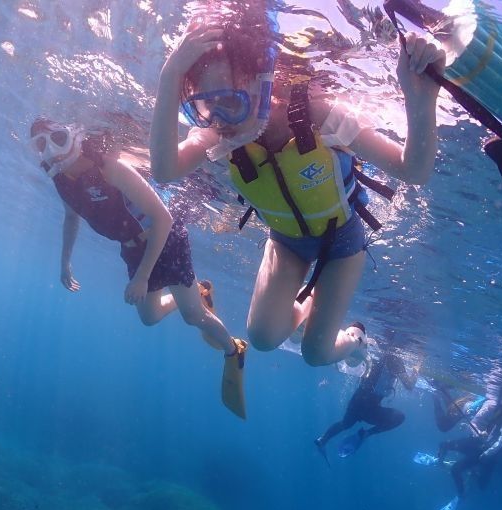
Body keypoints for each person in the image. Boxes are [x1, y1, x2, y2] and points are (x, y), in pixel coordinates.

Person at [149, 2, 446, 368]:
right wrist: (170, 75)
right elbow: (163, 170)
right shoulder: (220, 137)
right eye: (206, 109)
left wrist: (421, 98)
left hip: (342, 241)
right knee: (262, 337)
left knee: (315, 353)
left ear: (262, 81)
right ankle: (308, 301)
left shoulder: (316, 113)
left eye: (230, 101)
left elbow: (412, 171)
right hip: (286, 241)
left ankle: (355, 339)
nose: (221, 121)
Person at [29, 117, 249, 418]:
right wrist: (65, 261)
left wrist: (142, 278)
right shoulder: (61, 182)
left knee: (193, 316)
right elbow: (71, 218)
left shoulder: (109, 167)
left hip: (165, 240)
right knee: (149, 317)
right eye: (42, 144)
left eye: (58, 137)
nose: (52, 149)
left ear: (74, 136)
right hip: (132, 250)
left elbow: (164, 220)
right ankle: (199, 290)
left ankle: (233, 350)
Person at [314, 348, 418, 462]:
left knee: (345, 424)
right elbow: (409, 385)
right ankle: (367, 433)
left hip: (358, 398)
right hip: (370, 406)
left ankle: (323, 439)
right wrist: (416, 369)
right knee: (400, 417)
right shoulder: (394, 359)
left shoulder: (378, 356)